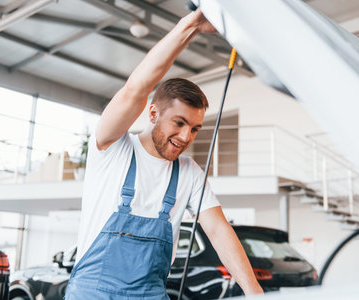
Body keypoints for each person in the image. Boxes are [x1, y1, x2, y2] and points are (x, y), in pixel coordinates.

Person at [65, 9, 263, 300]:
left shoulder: (189, 172)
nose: (186, 137)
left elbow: (219, 231)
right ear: (154, 113)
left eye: (195, 129)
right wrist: (191, 25)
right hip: (92, 294)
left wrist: (255, 292)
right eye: (179, 123)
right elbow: (136, 88)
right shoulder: (112, 147)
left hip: (150, 294)